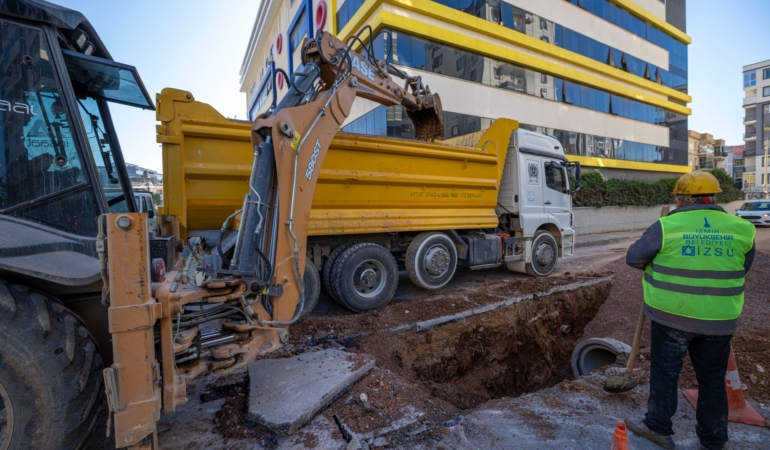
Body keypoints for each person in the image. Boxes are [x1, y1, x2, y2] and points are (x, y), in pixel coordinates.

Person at [623, 171, 756, 450]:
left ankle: (658, 427)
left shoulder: (666, 226)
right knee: (712, 380)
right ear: (714, 197)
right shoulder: (741, 228)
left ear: (681, 199)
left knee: (665, 374)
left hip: (671, 316)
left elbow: (634, 258)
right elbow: (742, 268)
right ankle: (713, 438)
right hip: (719, 320)